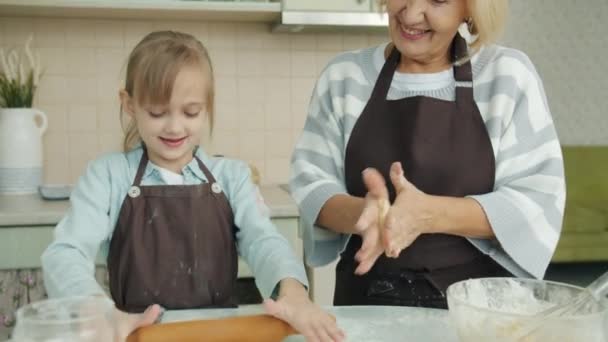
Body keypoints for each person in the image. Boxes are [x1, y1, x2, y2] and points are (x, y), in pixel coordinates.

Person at [42, 30, 344, 342]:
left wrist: (292, 291)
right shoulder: (107, 176)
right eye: (157, 112)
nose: (174, 126)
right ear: (129, 104)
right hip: (135, 335)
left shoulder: (231, 176)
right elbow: (65, 253)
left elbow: (263, 240)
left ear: (208, 106)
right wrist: (94, 309)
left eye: (190, 112)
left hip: (217, 335)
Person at [289, 0, 565, 309]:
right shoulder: (343, 76)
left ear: (471, 8)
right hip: (365, 306)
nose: (410, 14)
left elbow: (536, 200)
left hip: (479, 313)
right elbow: (312, 185)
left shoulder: (507, 75)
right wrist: (367, 214)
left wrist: (426, 214)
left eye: (437, 0)